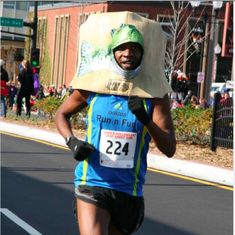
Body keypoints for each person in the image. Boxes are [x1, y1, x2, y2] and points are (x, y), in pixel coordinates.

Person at [55, 13, 176, 235]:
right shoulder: (93, 86)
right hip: (92, 183)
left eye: (134, 48)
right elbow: (61, 114)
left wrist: (146, 119)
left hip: (129, 191)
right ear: (113, 51)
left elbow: (169, 148)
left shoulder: (154, 95)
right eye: (122, 48)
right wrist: (72, 142)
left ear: (142, 53)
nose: (128, 54)